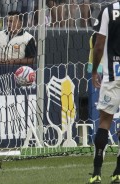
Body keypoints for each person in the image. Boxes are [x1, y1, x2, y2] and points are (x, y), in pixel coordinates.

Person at [88, 1, 120, 183]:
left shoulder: (109, 10)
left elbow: (98, 45)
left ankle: (97, 172)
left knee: (105, 122)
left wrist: (94, 71)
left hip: (112, 75)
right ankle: (118, 172)